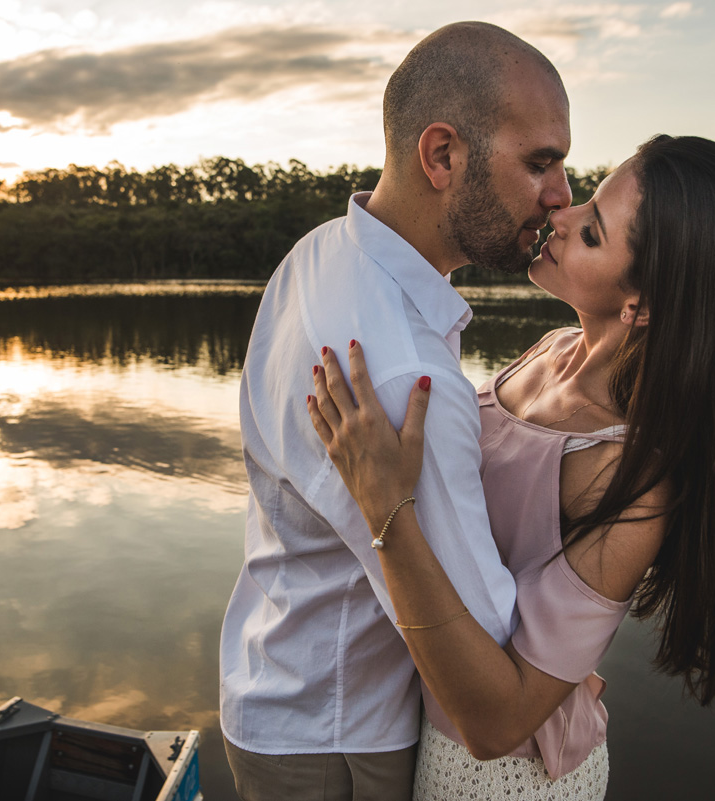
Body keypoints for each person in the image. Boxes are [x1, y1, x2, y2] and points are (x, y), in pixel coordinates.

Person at [305, 134, 715, 799]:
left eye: (591, 230)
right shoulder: (553, 348)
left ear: (643, 305)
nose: (559, 214)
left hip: (503, 778)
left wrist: (386, 508)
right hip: (410, 723)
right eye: (587, 198)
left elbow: (499, 721)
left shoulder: (628, 479)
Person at [219, 22, 572, 801]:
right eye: (540, 161)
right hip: (339, 735)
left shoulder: (318, 253)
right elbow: (488, 647)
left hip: (272, 683)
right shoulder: (407, 376)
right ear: (442, 154)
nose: (561, 195)